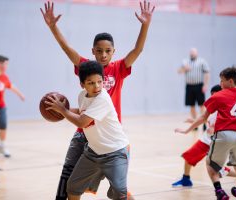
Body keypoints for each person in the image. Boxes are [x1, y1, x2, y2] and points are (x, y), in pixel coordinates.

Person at [40, 1, 155, 199]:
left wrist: (145, 25)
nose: (103, 55)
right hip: (84, 131)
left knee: (117, 189)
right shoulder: (87, 67)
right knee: (68, 174)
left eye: (108, 51)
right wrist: (53, 27)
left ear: (113, 52)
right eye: (99, 51)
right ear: (93, 51)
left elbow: (137, 50)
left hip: (108, 135)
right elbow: (67, 49)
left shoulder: (119, 68)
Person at [46, 61, 130, 200]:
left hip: (115, 152)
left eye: (99, 81)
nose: (97, 86)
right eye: (91, 83)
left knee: (119, 193)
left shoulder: (103, 98)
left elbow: (82, 121)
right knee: (72, 187)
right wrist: (58, 111)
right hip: (93, 153)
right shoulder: (82, 96)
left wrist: (62, 110)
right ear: (82, 84)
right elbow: (81, 112)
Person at [175, 66, 236, 200]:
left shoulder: (219, 95)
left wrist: (186, 130)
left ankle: (219, 192)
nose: (220, 84)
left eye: (222, 80)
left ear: (230, 81)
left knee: (210, 165)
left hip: (224, 134)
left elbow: (203, 117)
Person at [172, 85, 236, 188]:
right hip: (205, 141)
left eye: (215, 95)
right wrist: (193, 121)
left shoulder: (225, 110)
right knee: (188, 157)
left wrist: (215, 130)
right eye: (212, 95)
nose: (213, 97)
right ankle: (186, 179)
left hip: (212, 143)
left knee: (218, 169)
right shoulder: (212, 108)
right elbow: (206, 119)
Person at [0, 55, 25, 158]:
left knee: (3, 125)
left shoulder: (4, 77)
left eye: (6, 64)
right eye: (3, 63)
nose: (5, 66)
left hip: (1, 106)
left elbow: (11, 86)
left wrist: (20, 95)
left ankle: (2, 146)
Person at [178, 48, 210, 131]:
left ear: (197, 53)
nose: (192, 54)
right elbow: (179, 71)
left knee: (201, 105)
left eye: (194, 53)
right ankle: (195, 123)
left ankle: (204, 123)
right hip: (189, 86)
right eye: (191, 53)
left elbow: (207, 73)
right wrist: (185, 69)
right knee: (191, 105)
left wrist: (205, 85)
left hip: (199, 85)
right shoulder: (185, 61)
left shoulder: (202, 62)